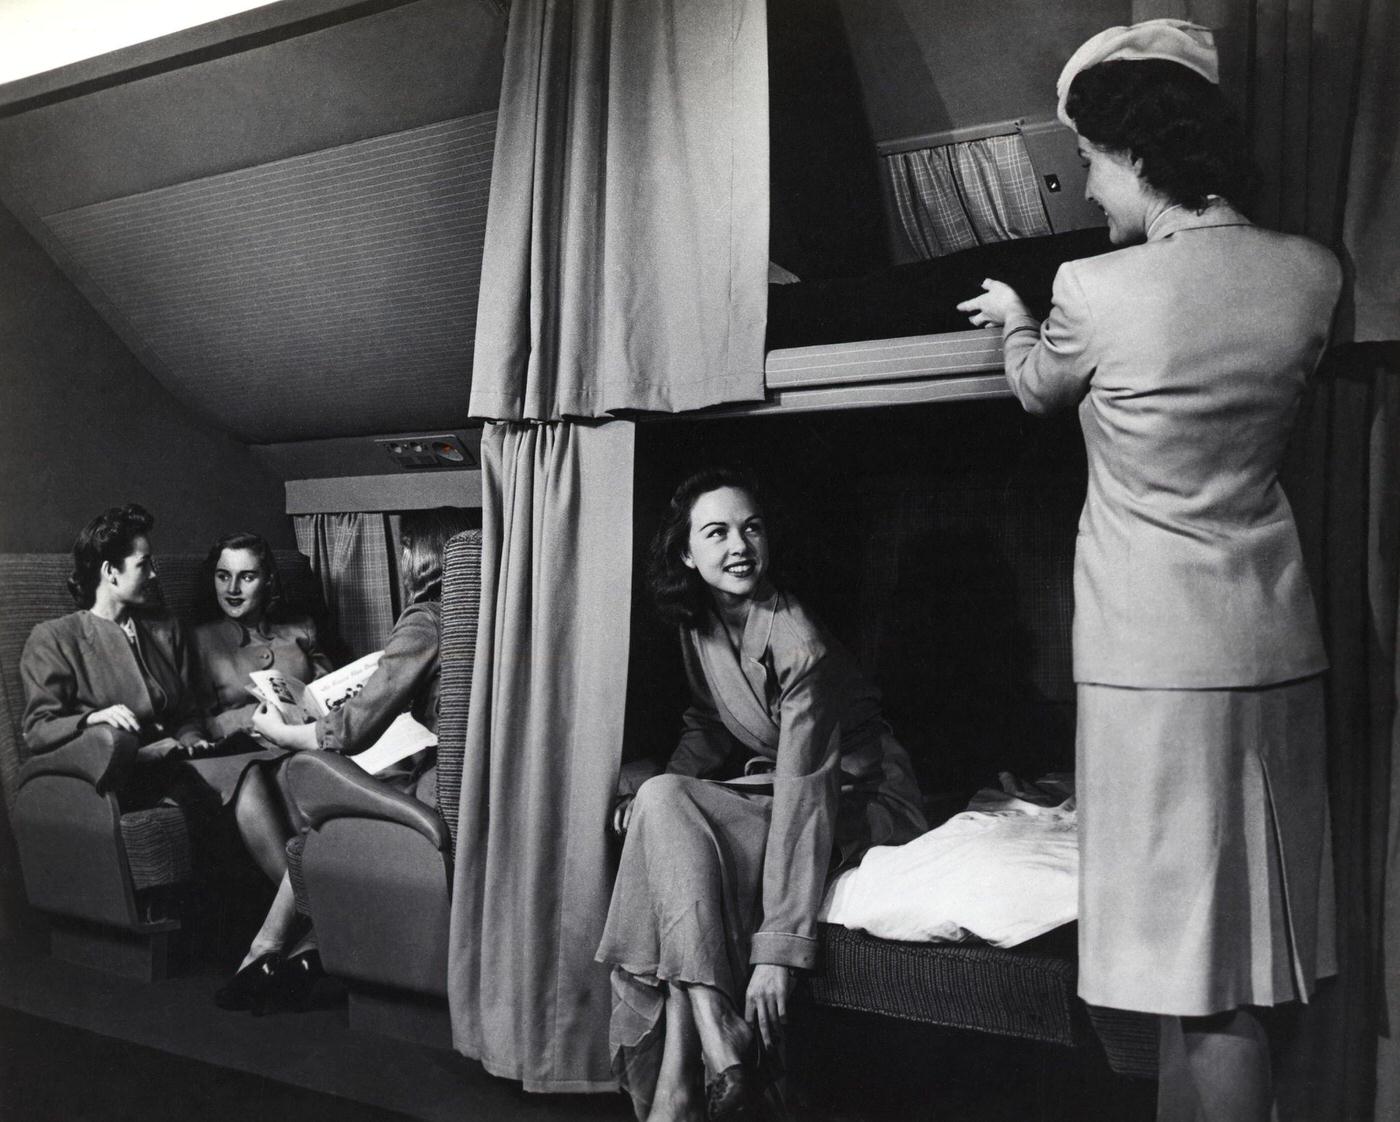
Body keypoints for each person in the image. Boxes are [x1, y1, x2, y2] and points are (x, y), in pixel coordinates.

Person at [956, 20, 1340, 1122]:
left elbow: (1038, 389)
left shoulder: (1092, 287)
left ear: (1136, 155)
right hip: (1274, 650)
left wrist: (1015, 324)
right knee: (1238, 971)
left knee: (1192, 980)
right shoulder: (1310, 274)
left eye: (1086, 162)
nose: (1085, 191)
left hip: (1152, 669)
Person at [596, 468, 927, 1122]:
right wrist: (679, 787)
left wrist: (778, 951)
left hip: (855, 793)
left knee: (662, 818)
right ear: (688, 553)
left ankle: (687, 1077)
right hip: (773, 781)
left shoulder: (796, 639)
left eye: (751, 528)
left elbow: (807, 798)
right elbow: (707, 723)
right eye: (717, 533)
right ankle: (715, 1051)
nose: (740, 545)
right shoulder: (700, 621)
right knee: (660, 802)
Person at [213, 507, 473, 1013]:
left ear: (421, 558)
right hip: (463, 779)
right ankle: (301, 949)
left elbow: (351, 730)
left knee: (316, 788)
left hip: (435, 789)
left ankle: (266, 949)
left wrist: (282, 732)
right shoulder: (484, 612)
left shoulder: (426, 617)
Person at [184, 533, 334, 970]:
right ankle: (320, 918)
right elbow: (192, 721)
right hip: (234, 756)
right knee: (253, 777)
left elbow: (327, 695)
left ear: (267, 581)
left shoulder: (301, 630)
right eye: (222, 576)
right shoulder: (198, 639)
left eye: (246, 576)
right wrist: (248, 717)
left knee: (308, 773)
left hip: (296, 747)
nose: (231, 588)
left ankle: (302, 934)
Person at [20, 504, 211, 802]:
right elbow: (38, 730)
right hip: (122, 777)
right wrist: (94, 718)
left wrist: (193, 738)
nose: (153, 575)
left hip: (179, 759)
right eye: (143, 564)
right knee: (216, 787)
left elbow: (188, 712)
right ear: (110, 571)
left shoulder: (166, 626)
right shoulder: (55, 638)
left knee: (258, 772)